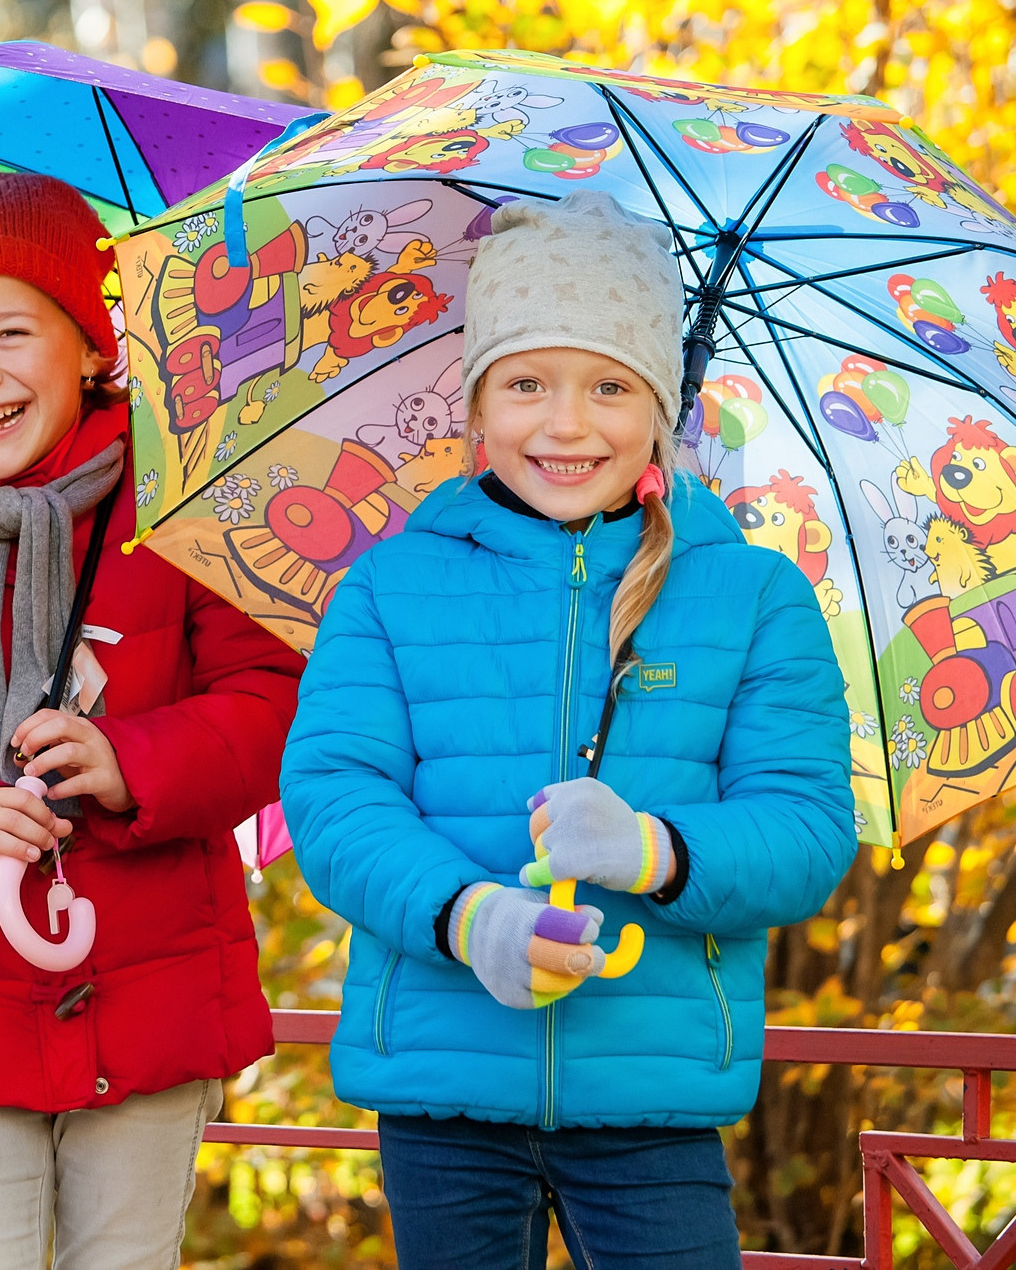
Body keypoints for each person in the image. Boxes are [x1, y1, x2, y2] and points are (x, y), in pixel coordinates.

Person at [280, 190, 854, 1270]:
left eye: (609, 386)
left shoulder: (751, 596)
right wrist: (468, 918)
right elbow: (337, 800)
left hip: (655, 1101)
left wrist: (655, 849)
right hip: (444, 1091)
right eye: (526, 383)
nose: (566, 424)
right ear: (477, 404)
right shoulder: (392, 587)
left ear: (660, 407)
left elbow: (807, 827)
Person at [0, 171, 303, 1270]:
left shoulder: (173, 504)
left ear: (85, 345)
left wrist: (133, 761)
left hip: (153, 987)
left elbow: (270, 699)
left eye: (11, 332)